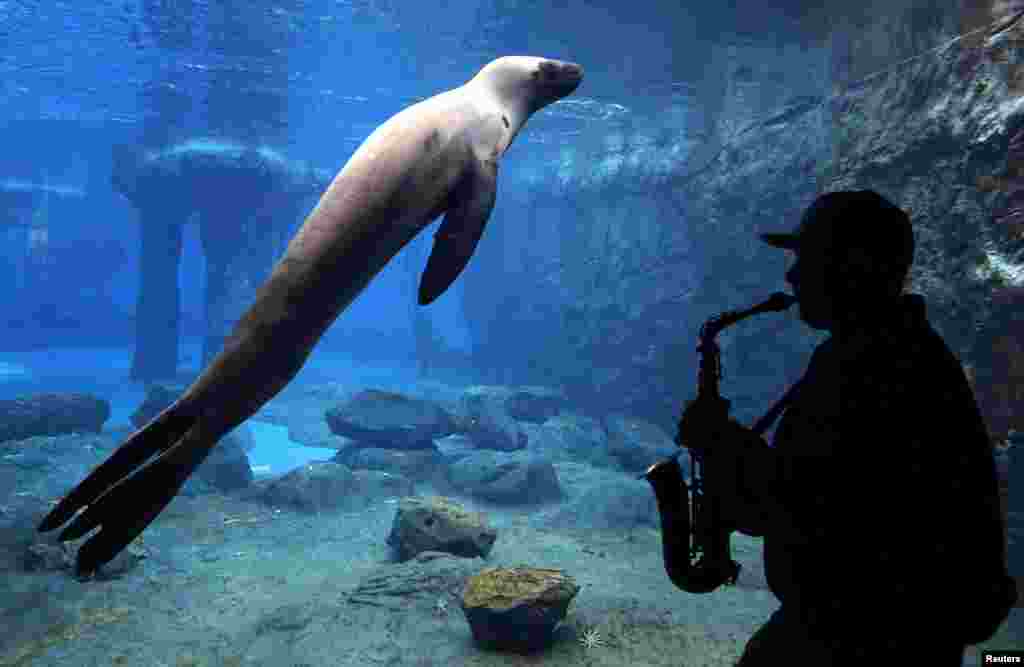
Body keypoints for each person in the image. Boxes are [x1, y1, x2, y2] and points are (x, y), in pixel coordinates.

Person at [677, 190, 1016, 665]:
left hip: (868, 634)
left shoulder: (880, 369)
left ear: (852, 265)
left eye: (807, 259)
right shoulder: (879, 353)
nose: (792, 276)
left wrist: (724, 446)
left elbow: (811, 511)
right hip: (857, 622)